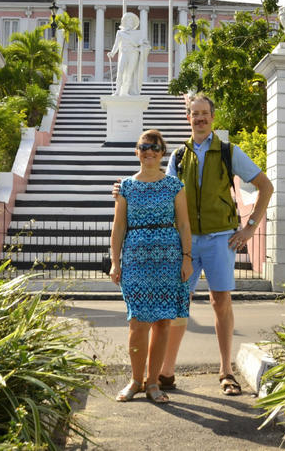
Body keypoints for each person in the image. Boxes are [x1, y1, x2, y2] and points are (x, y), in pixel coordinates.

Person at [113, 94, 274, 396]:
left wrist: (250, 228)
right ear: (188, 118)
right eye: (194, 114)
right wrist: (124, 189)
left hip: (219, 237)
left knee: (220, 303)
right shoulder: (176, 156)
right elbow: (162, 187)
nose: (200, 118)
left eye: (205, 113)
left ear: (213, 116)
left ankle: (226, 371)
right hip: (182, 242)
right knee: (177, 307)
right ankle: (165, 373)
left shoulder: (228, 151)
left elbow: (266, 186)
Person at [109, 129, 194, 404]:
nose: (149, 151)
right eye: (144, 146)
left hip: (169, 260)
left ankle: (153, 382)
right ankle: (135, 380)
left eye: (155, 147)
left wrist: (186, 257)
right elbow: (119, 226)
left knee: (162, 322)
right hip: (135, 260)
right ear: (137, 152)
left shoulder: (174, 185)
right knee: (138, 322)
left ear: (162, 153)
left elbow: (183, 224)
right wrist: (114, 262)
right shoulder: (126, 187)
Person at [107, 12, 150, 96]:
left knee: (129, 73)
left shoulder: (138, 33)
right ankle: (117, 91)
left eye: (132, 22)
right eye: (128, 21)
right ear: (125, 22)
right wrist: (112, 53)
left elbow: (146, 45)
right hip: (124, 53)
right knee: (120, 71)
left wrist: (141, 46)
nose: (130, 23)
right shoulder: (120, 33)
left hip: (134, 54)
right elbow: (116, 45)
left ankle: (125, 92)